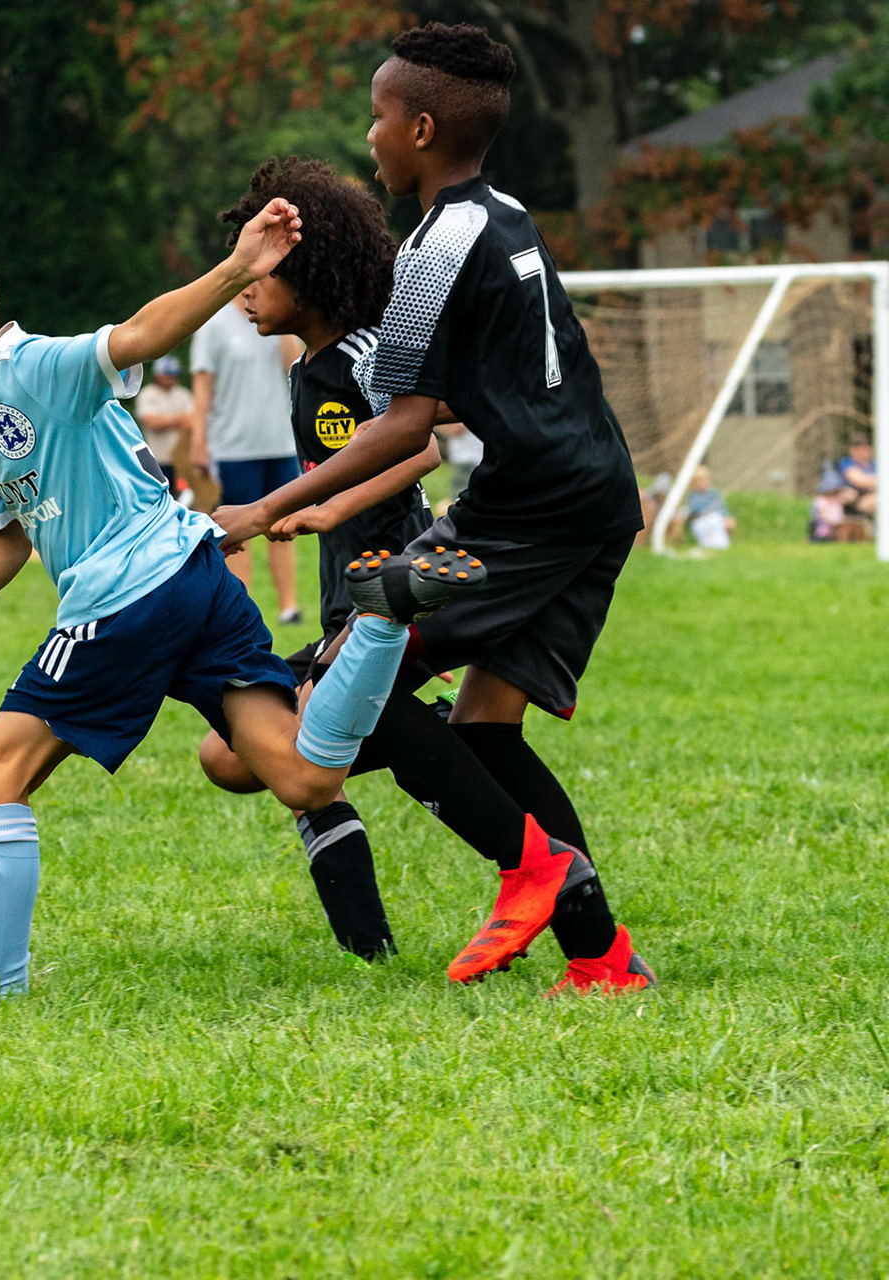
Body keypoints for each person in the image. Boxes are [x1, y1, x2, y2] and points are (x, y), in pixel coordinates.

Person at [0, 219, 486, 1001]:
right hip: (196, 576)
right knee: (304, 777)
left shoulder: (29, 368)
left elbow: (141, 335)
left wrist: (236, 269)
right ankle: (381, 620)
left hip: (128, 596)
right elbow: (7, 537)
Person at [216, 24, 654, 994]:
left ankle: (532, 869)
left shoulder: (433, 245)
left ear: (419, 128)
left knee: (352, 681)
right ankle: (603, 960)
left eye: (377, 116)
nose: (368, 135)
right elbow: (479, 389)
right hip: (597, 492)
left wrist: (266, 507)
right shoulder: (508, 215)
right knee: (484, 727)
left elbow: (406, 424)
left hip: (526, 509)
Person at [196, 156, 441, 959]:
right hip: (347, 603)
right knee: (231, 755)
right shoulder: (308, 366)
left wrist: (323, 508)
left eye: (260, 274)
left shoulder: (361, 357)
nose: (245, 289)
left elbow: (422, 447)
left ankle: (370, 946)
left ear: (310, 274)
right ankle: (431, 738)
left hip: (391, 598)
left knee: (287, 753)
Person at [191, 255, 305, 625]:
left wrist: (284, 319)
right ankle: (242, 607)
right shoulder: (214, 325)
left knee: (283, 528)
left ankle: (289, 607)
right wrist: (198, 441)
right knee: (238, 530)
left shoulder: (280, 321)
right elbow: (203, 389)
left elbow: (295, 368)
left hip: (281, 442)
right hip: (234, 448)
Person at [132, 355, 195, 497]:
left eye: (174, 375)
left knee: (185, 499)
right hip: (158, 459)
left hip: (183, 460)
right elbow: (152, 423)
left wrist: (165, 421)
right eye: (168, 375)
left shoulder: (182, 394)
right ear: (158, 375)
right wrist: (179, 419)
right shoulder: (148, 394)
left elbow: (192, 421)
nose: (171, 378)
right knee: (160, 496)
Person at [684, 465, 734, 550]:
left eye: (705, 480)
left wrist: (726, 517)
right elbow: (693, 511)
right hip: (701, 521)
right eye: (700, 480)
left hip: (716, 519)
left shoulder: (714, 493)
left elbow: (722, 507)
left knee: (721, 522)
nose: (703, 482)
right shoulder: (693, 495)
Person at [840, 438, 876, 522]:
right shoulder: (847, 463)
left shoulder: (874, 464)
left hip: (871, 495)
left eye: (867, 448)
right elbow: (860, 481)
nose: (864, 452)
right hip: (853, 499)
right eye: (861, 448)